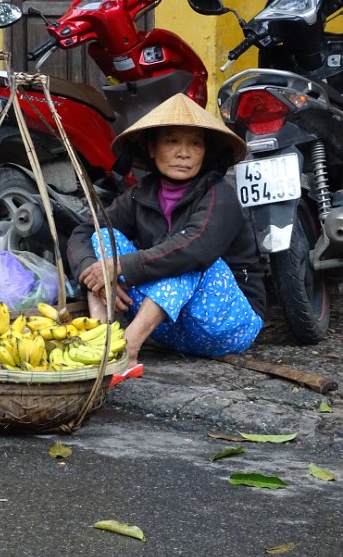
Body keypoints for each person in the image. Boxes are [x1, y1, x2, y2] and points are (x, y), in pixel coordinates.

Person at [67, 93, 266, 383]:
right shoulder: (139, 194)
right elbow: (82, 233)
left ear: (205, 152)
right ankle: (99, 341)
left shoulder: (219, 194)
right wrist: (93, 272)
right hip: (169, 329)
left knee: (186, 256)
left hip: (226, 325)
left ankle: (128, 351)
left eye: (194, 143)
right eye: (172, 141)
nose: (183, 152)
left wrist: (121, 267)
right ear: (152, 147)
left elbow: (196, 249)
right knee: (102, 237)